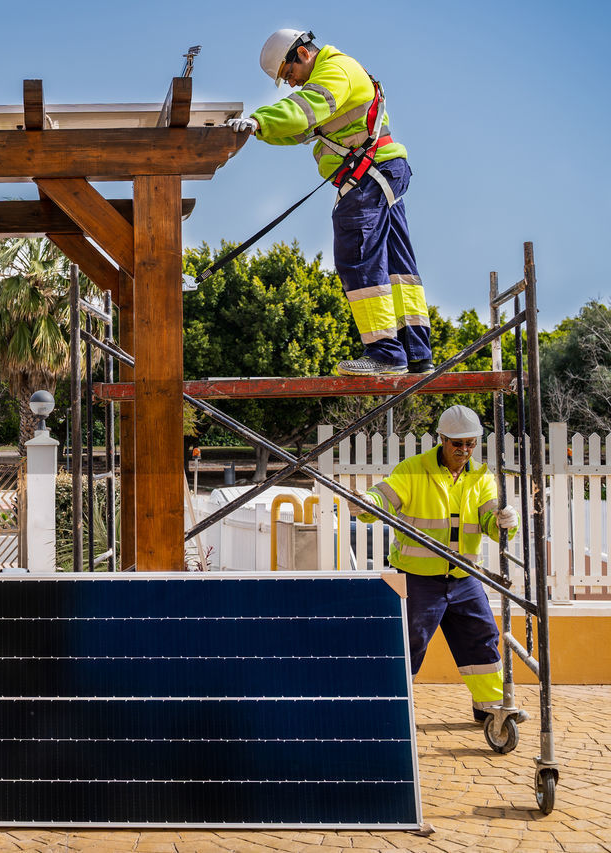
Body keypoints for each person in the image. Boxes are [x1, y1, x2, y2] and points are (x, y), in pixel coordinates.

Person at [225, 30, 432, 377]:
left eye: (289, 75)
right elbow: (299, 130)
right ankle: (415, 353)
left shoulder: (334, 72)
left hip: (369, 174)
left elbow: (302, 112)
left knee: (358, 255)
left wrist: (260, 119)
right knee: (397, 266)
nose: (291, 84)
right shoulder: (337, 75)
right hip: (382, 171)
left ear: (302, 54)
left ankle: (385, 353)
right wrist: (258, 130)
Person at [352, 405, 521, 722]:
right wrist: (366, 504)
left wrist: (505, 522)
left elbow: (490, 519)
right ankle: (390, 705)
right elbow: (381, 498)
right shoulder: (413, 470)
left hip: (464, 577)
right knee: (409, 641)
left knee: (482, 637)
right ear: (441, 439)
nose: (465, 450)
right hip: (418, 579)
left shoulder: (481, 477)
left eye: (471, 443)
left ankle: (490, 709)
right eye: (458, 443)